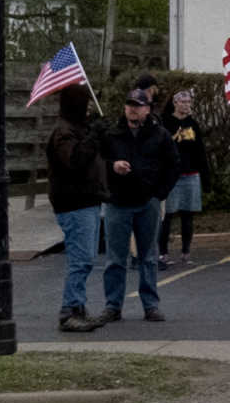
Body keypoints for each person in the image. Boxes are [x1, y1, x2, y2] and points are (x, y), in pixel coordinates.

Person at [98, 88, 178, 324]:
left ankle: (150, 305)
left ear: (148, 109)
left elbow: (173, 165)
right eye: (130, 104)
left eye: (139, 105)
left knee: (148, 257)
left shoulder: (159, 134)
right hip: (117, 202)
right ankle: (113, 305)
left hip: (147, 202)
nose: (133, 108)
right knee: (115, 258)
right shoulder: (112, 133)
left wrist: (159, 193)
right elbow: (97, 162)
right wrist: (112, 166)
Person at [47, 84, 108, 333]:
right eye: (86, 103)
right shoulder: (64, 133)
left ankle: (78, 306)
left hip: (87, 199)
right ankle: (69, 309)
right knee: (80, 259)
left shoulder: (76, 129)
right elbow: (73, 162)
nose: (89, 108)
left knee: (86, 258)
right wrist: (93, 137)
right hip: (74, 202)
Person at [159, 89, 212, 264]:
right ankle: (163, 252)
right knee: (167, 215)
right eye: (183, 102)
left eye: (188, 102)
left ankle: (186, 252)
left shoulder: (193, 124)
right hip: (171, 176)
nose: (186, 105)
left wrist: (205, 177)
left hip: (191, 175)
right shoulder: (165, 122)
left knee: (188, 215)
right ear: (175, 103)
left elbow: (200, 151)